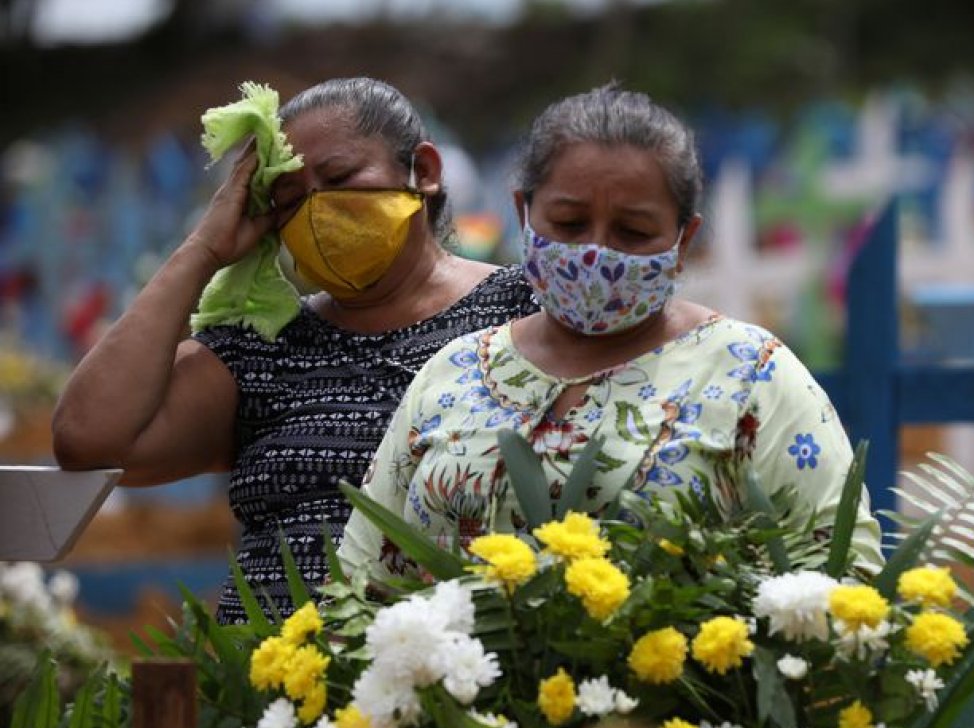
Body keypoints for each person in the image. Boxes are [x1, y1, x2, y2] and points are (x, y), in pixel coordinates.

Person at [338, 86, 879, 580]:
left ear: (683, 239)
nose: (596, 252)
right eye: (570, 224)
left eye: (634, 231)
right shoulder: (452, 375)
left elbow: (840, 577)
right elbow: (364, 583)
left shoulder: (749, 374)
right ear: (523, 212)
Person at [52, 77, 538, 623]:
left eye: (339, 178)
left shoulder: (524, 311)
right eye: (288, 200)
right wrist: (203, 249)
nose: (316, 210)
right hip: (270, 683)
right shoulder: (262, 351)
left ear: (423, 172)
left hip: (458, 674)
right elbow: (87, 439)